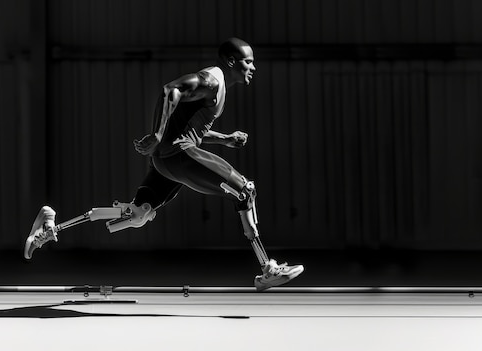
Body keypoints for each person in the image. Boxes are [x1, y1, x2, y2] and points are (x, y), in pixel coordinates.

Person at [25, 38, 304, 291]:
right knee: (245, 191)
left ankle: (51, 226)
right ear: (232, 61)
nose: (253, 67)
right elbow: (171, 90)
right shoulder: (211, 80)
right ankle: (267, 269)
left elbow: (192, 128)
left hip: (166, 162)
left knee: (138, 214)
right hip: (178, 156)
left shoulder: (217, 89)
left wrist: (225, 139)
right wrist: (157, 134)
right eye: (248, 61)